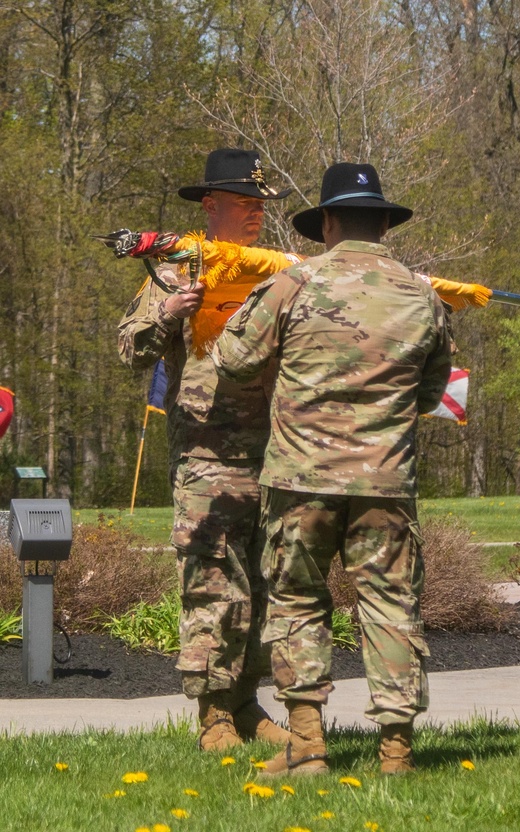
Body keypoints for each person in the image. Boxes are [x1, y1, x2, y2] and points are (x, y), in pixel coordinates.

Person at [212, 162, 453, 777]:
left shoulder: (294, 285)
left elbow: (234, 360)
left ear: (326, 222)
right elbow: (430, 394)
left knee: (296, 602)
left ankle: (307, 745)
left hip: (302, 480)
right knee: (391, 603)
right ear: (383, 224)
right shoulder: (423, 295)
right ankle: (396, 752)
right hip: (386, 483)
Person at [118, 148, 295, 751]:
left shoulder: (280, 273)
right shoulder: (175, 271)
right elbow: (130, 351)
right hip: (205, 454)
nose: (254, 216)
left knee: (266, 582)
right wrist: (168, 314)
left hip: (277, 450)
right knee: (212, 579)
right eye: (243, 204)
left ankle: (247, 704)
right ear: (211, 206)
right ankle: (213, 715)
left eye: (260, 206)